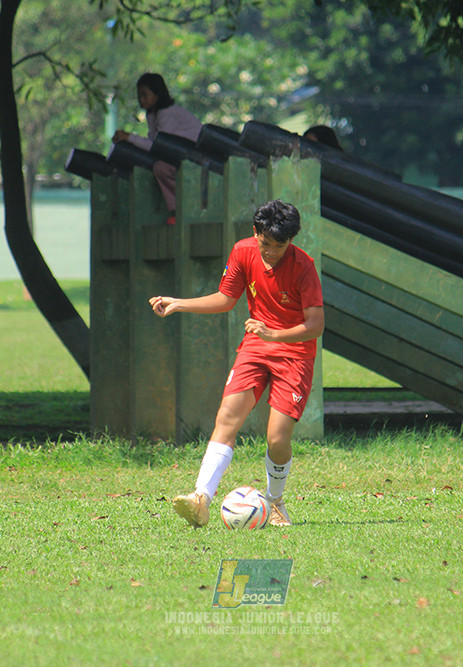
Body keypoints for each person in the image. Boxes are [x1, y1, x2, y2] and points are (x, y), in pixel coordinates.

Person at [149, 200, 324, 528]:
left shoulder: (304, 266)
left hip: (295, 353)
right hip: (256, 347)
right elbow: (225, 298)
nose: (271, 252)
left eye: (280, 246)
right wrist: (178, 303)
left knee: (276, 438)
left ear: (291, 241)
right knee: (227, 417)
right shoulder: (243, 251)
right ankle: (201, 499)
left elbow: (316, 325)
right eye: (266, 244)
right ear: (255, 233)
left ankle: (274, 501)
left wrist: (274, 333)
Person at [112, 73, 202, 225]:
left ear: (157, 94)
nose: (141, 99)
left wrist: (130, 138)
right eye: (139, 96)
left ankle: (180, 207)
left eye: (145, 95)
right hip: (176, 155)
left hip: (192, 156)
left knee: (161, 168)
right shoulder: (153, 115)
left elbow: (158, 146)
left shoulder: (166, 113)